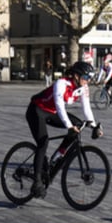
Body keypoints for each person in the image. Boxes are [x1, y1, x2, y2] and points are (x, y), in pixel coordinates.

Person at [26, 61, 102, 198]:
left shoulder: (83, 88)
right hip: (36, 110)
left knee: (78, 125)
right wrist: (69, 126)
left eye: (89, 79)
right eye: (85, 78)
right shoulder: (62, 84)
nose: (87, 82)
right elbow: (60, 106)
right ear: (76, 76)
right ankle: (36, 182)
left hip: (51, 112)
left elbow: (87, 109)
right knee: (43, 142)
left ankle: (57, 157)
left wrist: (94, 125)